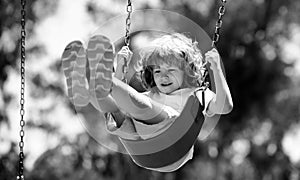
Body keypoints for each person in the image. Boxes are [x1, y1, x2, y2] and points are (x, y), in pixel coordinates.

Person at [61, 33, 233, 172]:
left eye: (171, 70)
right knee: (117, 111)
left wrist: (216, 69)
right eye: (157, 70)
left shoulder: (197, 93)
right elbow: (123, 102)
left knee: (143, 106)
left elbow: (225, 107)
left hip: (174, 145)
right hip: (141, 148)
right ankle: (88, 86)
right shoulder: (152, 95)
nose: (163, 76)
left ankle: (105, 81)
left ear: (187, 71)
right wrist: (121, 67)